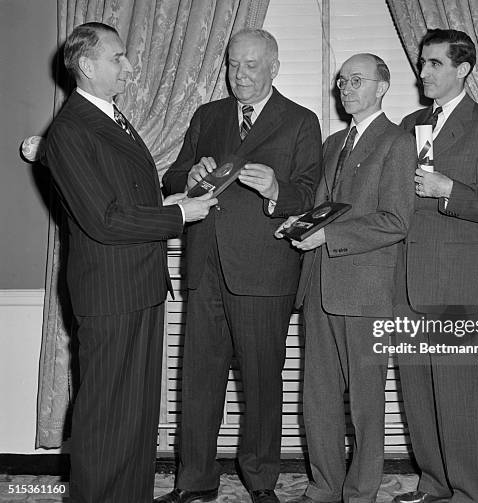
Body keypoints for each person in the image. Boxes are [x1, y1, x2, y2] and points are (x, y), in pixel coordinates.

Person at [42, 22, 217, 503]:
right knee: (105, 420)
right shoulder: (71, 130)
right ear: (86, 65)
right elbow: (103, 220)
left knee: (137, 417)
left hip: (140, 286)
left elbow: (128, 197)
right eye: (118, 58)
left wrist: (173, 199)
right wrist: (180, 214)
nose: (130, 66)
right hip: (111, 293)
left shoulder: (112, 118)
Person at [157, 28, 322, 503]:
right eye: (233, 64)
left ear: (274, 67)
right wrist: (187, 175)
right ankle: (195, 481)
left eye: (251, 65)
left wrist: (275, 190)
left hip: (265, 271)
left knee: (263, 384)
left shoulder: (300, 121)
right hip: (206, 267)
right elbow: (174, 174)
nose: (240, 74)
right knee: (199, 381)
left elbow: (309, 194)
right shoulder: (207, 116)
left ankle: (261, 481)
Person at [280, 53, 414, 503]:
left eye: (357, 80)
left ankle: (360, 493)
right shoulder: (334, 142)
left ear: (382, 87)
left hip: (366, 293)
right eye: (342, 80)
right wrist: (299, 225)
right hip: (319, 286)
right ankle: (322, 487)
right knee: (316, 401)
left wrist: (327, 237)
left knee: (365, 404)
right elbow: (324, 208)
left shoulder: (397, 142)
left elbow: (396, 221)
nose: (346, 87)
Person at [396, 29, 478, 503]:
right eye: (422, 63)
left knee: (456, 388)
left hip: (451, 276)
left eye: (434, 63)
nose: (422, 72)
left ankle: (468, 489)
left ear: (463, 69)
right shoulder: (410, 121)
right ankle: (433, 482)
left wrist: (447, 191)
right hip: (403, 273)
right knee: (415, 385)